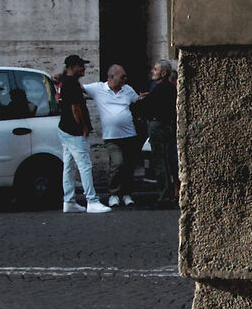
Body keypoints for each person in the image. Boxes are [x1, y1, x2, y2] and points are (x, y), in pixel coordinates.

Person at [53, 54, 106, 215]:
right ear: (72, 67)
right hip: (74, 130)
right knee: (84, 165)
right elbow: (76, 109)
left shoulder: (64, 82)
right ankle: (92, 200)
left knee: (69, 166)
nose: (84, 68)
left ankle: (69, 201)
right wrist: (84, 127)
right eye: (80, 66)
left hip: (64, 128)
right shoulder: (72, 84)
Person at [89, 63, 142, 208]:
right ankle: (114, 193)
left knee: (128, 165)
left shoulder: (127, 90)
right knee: (117, 163)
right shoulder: (99, 89)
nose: (125, 79)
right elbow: (78, 87)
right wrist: (60, 78)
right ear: (112, 77)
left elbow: (137, 100)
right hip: (111, 136)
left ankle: (126, 193)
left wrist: (143, 97)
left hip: (129, 134)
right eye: (122, 76)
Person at [140, 58, 178, 207]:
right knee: (165, 160)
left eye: (155, 69)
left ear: (163, 73)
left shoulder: (161, 88)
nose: (152, 71)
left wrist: (139, 102)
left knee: (160, 161)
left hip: (159, 125)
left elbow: (149, 106)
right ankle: (167, 193)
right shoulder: (167, 88)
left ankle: (164, 196)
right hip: (165, 125)